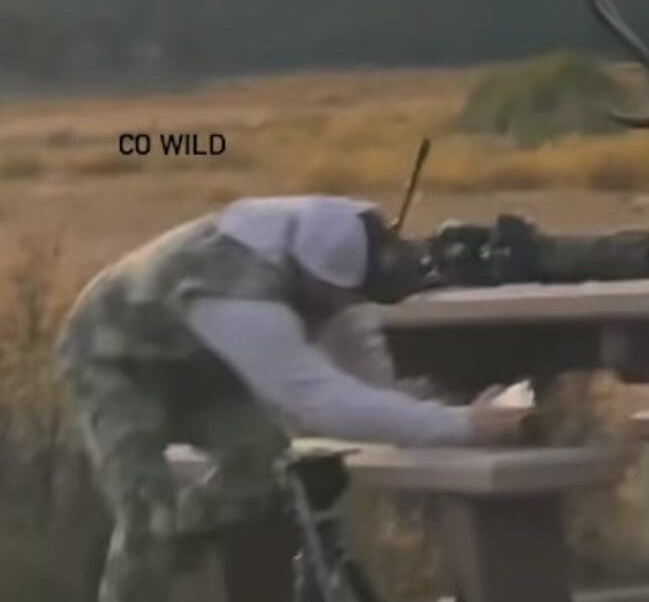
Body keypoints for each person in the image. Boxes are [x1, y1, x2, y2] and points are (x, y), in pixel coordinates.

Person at [55, 195, 529, 602]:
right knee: (145, 518)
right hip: (115, 361)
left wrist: (449, 418)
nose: (347, 307)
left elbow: (366, 379)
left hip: (202, 367)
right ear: (320, 284)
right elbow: (316, 401)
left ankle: (178, 528)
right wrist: (463, 424)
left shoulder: (320, 248)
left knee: (266, 473)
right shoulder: (238, 294)